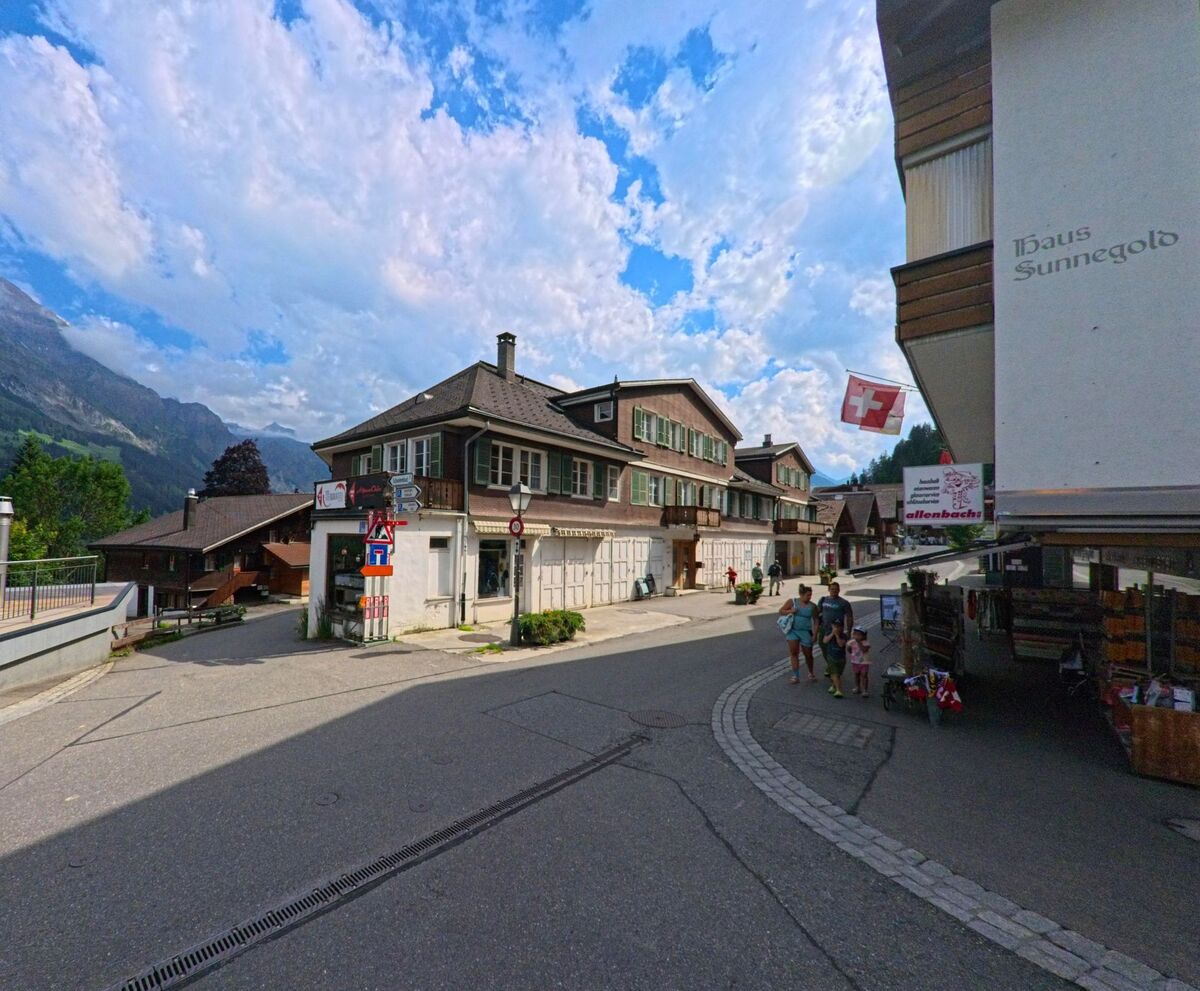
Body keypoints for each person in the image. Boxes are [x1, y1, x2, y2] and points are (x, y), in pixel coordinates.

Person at [779, 584, 819, 683]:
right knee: (794, 653)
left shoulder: (813, 606)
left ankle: (811, 672)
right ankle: (796, 676)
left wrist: (815, 634)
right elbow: (781, 611)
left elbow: (816, 620)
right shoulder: (792, 602)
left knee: (808, 654)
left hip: (806, 631)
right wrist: (791, 611)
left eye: (810, 595)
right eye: (807, 595)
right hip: (793, 631)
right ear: (801, 594)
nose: (809, 597)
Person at [822, 621, 847, 698]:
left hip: (841, 658)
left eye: (838, 627)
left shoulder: (844, 635)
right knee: (834, 673)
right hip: (831, 657)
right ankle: (839, 690)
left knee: (838, 674)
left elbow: (841, 644)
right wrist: (832, 634)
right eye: (834, 626)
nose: (836, 628)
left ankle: (833, 686)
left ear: (842, 628)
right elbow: (825, 641)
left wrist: (837, 636)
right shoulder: (829, 633)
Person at [848, 625, 872, 696]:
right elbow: (849, 650)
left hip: (864, 661)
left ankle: (865, 689)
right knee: (856, 674)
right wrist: (849, 648)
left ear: (864, 636)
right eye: (855, 634)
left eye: (859, 635)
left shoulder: (866, 642)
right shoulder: (852, 642)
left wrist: (858, 642)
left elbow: (864, 650)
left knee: (864, 675)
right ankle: (857, 687)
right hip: (855, 661)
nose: (856, 636)